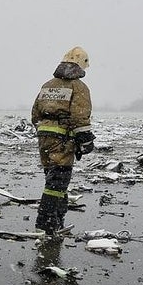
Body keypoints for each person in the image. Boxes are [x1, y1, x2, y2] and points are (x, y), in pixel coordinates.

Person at [31, 47, 94, 235]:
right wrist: (86, 141)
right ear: (81, 65)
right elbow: (80, 116)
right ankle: (47, 223)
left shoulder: (48, 84)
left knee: (53, 178)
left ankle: (57, 220)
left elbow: (35, 114)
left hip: (44, 140)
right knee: (57, 182)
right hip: (63, 139)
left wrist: (45, 132)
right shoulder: (79, 87)